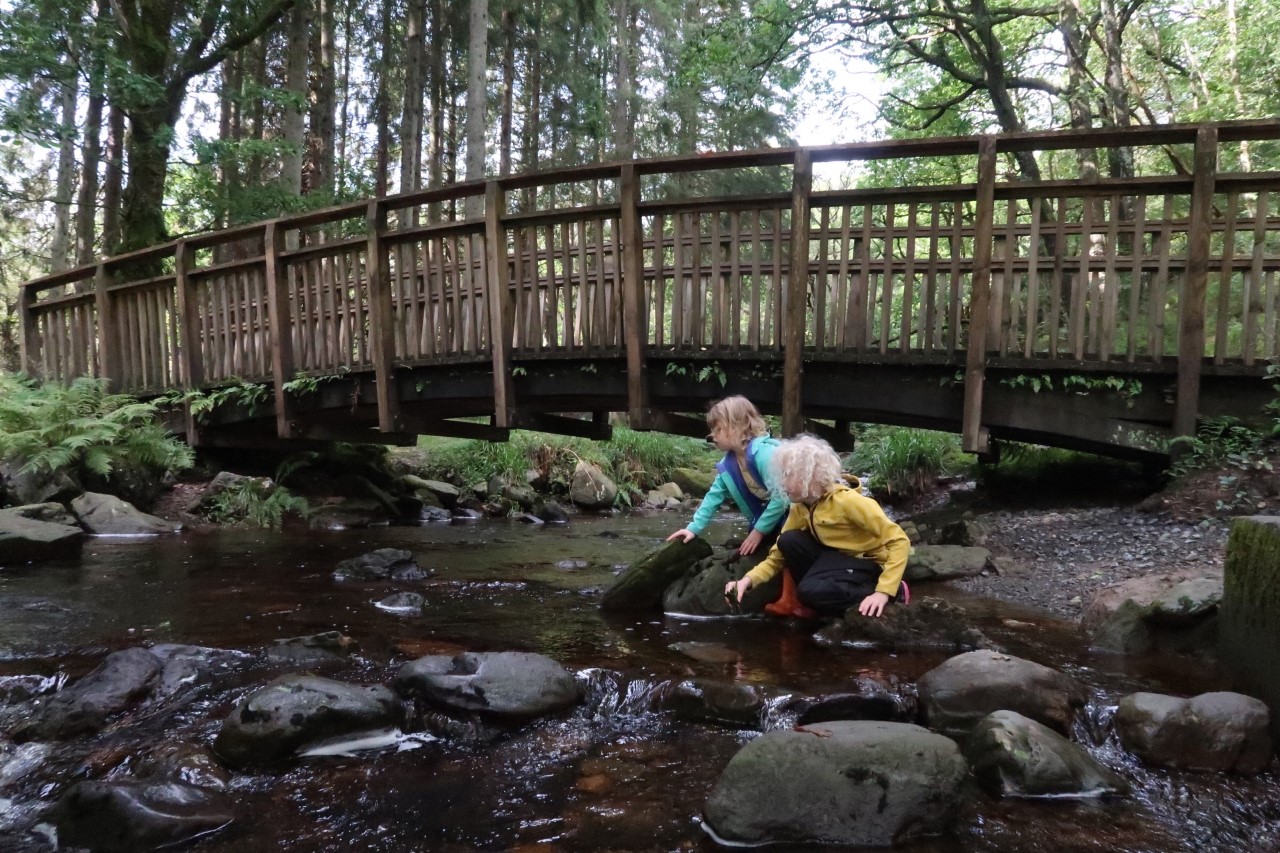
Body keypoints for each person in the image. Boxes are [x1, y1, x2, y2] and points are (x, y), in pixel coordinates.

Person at [723, 434, 910, 618]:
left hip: (866, 565)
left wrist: (884, 591)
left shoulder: (849, 502)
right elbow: (777, 556)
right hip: (835, 562)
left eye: (787, 475)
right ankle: (819, 603)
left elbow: (899, 540)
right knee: (788, 541)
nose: (781, 482)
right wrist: (746, 581)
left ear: (810, 475)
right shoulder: (800, 506)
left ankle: (895, 593)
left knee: (808, 591)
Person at [666, 396, 788, 556]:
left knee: (787, 543)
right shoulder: (729, 465)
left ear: (739, 427)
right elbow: (713, 498)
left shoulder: (765, 454)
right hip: (772, 519)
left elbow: (781, 496)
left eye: (718, 429)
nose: (712, 436)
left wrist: (759, 531)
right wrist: (693, 529)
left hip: (796, 513)